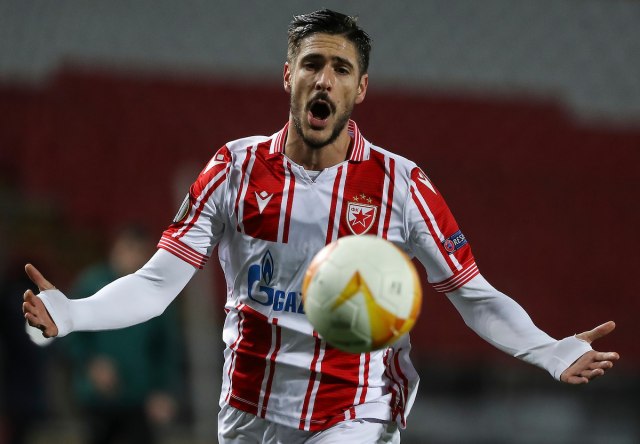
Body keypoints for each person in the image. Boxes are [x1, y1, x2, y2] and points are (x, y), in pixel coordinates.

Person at [21, 9, 619, 443]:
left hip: (355, 411)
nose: (324, 79)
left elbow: (472, 294)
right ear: (289, 76)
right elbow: (156, 285)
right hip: (249, 409)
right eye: (312, 63)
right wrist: (72, 313)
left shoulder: (401, 185)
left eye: (341, 68)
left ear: (361, 87)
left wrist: (549, 350)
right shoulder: (233, 168)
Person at [62, 225, 181, 444]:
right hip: (98, 397)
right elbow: (70, 331)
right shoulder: (92, 283)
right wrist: (91, 363)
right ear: (115, 249)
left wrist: (162, 390)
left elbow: (164, 347)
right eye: (128, 249)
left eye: (139, 251)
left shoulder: (155, 291)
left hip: (139, 397)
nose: (132, 257)